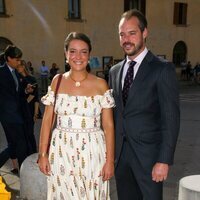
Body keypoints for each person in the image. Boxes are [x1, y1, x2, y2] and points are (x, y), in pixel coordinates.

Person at [109, 9, 180, 200]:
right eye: (122, 34)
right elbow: (115, 116)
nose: (126, 39)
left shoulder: (162, 69)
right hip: (121, 159)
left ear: (144, 33)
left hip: (149, 160)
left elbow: (170, 119)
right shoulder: (114, 72)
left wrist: (163, 160)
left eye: (132, 33)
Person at [38, 32, 115, 199]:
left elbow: (108, 126)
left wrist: (109, 161)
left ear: (89, 55)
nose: (78, 56)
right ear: (66, 54)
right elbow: (47, 121)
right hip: (61, 151)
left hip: (93, 152)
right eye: (72, 51)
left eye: (83, 51)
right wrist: (42, 154)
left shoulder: (101, 84)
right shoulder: (57, 81)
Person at [0, 45, 34, 171]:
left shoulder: (15, 73)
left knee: (14, 144)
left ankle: (20, 169)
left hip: (18, 114)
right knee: (21, 144)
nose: (19, 62)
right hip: (8, 115)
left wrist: (25, 90)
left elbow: (18, 93)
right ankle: (24, 171)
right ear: (8, 58)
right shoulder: (1, 72)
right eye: (17, 60)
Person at [17, 61, 39, 154]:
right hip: (19, 110)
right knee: (23, 134)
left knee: (30, 134)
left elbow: (35, 98)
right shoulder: (17, 79)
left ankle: (33, 154)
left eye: (19, 66)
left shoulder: (32, 79)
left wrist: (36, 113)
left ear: (23, 66)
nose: (17, 68)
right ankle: (26, 153)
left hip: (29, 110)